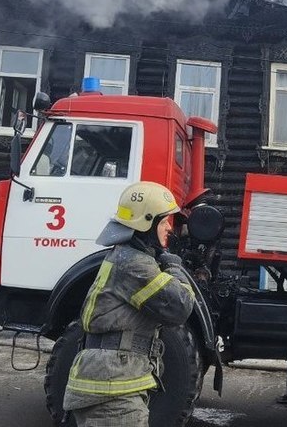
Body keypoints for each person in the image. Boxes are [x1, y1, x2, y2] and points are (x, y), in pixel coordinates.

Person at [63, 181, 195, 427]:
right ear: (146, 223)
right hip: (112, 389)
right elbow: (180, 306)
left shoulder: (125, 256)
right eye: (164, 221)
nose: (169, 228)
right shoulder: (134, 264)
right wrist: (175, 268)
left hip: (113, 383)